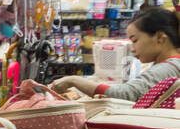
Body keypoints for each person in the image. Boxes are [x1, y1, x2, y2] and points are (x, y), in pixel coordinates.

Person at [52, 6, 180, 102]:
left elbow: (125, 95)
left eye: (135, 40)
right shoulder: (169, 65)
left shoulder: (168, 68)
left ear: (160, 38)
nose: (133, 49)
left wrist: (74, 80)